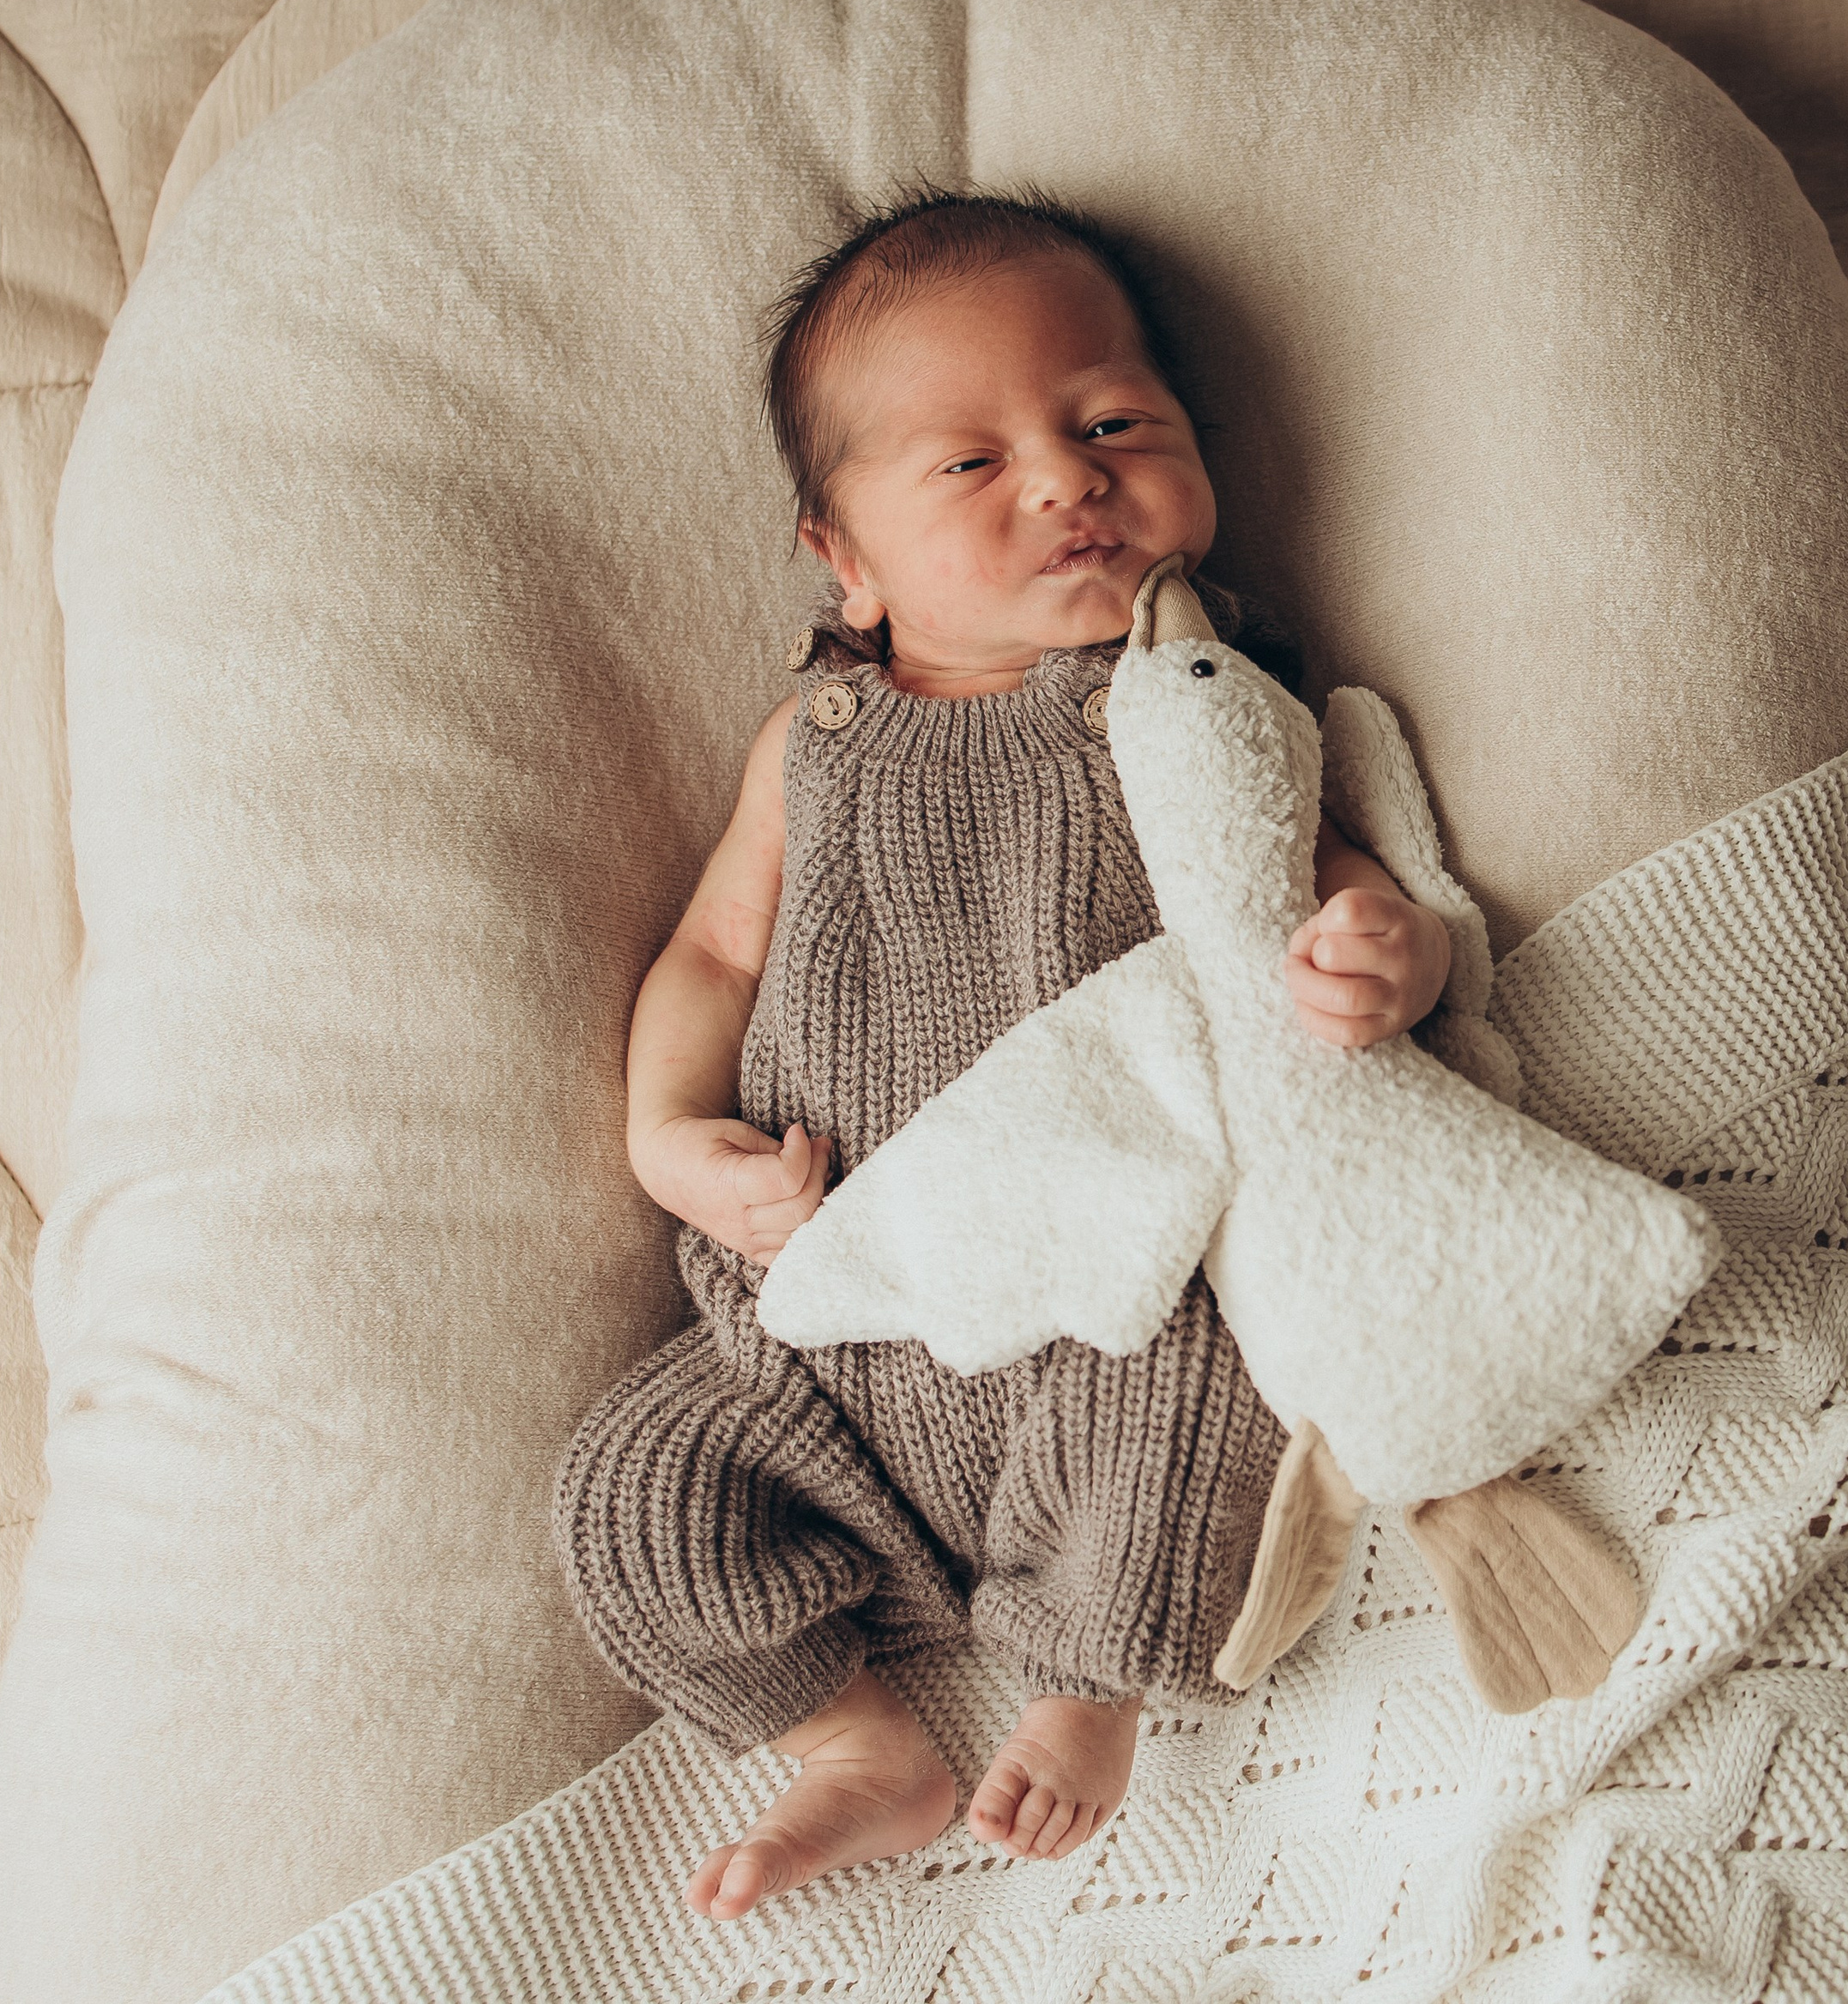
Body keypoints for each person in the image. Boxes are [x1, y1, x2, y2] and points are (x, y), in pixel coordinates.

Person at [554, 188, 1452, 1921]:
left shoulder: (1190, 696)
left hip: (1108, 1289)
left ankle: (1089, 1676)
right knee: (633, 1494)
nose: (1064, 477)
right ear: (844, 555)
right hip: (815, 1315)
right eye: (969, 463)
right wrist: (669, 1134)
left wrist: (1381, 952)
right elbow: (714, 949)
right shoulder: (810, 742)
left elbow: (1325, 877)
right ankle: (855, 1741)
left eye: (1113, 423)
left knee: (1212, 1400)